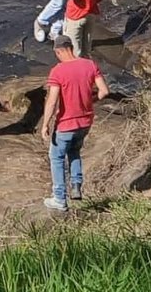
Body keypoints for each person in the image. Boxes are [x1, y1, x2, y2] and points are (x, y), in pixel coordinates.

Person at [40, 34, 110, 211]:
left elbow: (52, 100)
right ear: (71, 47)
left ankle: (59, 199)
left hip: (66, 123)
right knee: (74, 151)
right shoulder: (89, 64)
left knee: (56, 157)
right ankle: (76, 185)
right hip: (85, 121)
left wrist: (45, 124)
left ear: (58, 51)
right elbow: (104, 91)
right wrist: (89, 101)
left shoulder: (58, 71)